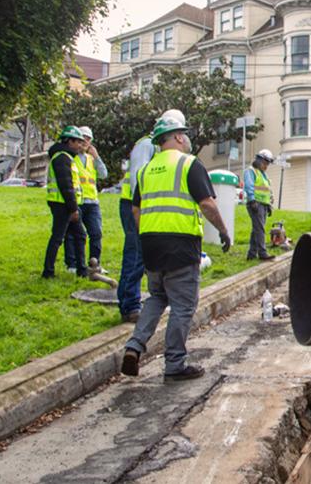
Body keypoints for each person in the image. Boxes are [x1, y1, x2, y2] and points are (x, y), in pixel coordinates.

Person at [121, 112, 232, 382]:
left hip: (151, 245)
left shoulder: (146, 170)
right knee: (183, 306)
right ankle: (174, 364)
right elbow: (206, 204)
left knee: (157, 297)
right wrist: (223, 231)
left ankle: (134, 346)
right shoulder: (188, 164)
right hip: (181, 246)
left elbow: (136, 210)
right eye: (186, 136)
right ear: (179, 137)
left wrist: (147, 232)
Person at [116, 121, 160, 323]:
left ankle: (130, 302)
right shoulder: (147, 144)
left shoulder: (158, 148)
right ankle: (130, 305)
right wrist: (140, 205)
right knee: (135, 254)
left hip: (142, 205)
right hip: (133, 204)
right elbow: (137, 177)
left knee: (140, 254)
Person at [42, 126, 88, 279]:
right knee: (58, 237)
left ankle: (82, 269)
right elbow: (66, 185)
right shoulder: (62, 157)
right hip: (63, 205)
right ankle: (48, 272)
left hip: (65, 204)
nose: (80, 146)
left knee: (79, 235)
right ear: (69, 141)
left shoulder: (66, 157)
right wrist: (73, 208)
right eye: (78, 142)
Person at [74, 126, 109, 277]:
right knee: (75, 235)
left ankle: (95, 263)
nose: (85, 142)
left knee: (96, 233)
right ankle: (75, 264)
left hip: (92, 202)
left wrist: (97, 157)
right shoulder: (72, 157)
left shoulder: (91, 159)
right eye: (83, 139)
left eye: (88, 140)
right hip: (77, 201)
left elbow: (103, 174)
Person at [243, 149, 274, 261]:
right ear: (259, 160)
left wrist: (269, 205)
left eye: (267, 164)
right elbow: (249, 186)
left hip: (263, 204)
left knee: (256, 229)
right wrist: (252, 200)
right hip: (255, 203)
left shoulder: (263, 175)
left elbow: (267, 191)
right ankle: (262, 253)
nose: (266, 166)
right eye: (265, 163)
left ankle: (251, 254)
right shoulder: (251, 171)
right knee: (259, 229)